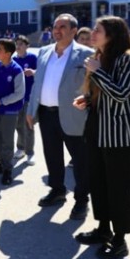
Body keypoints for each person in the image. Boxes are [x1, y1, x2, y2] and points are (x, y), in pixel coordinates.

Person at [73, 16, 130, 259]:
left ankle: (120, 240)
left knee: (118, 189)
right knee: (98, 184)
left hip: (119, 136)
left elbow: (122, 94)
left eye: (98, 30)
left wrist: (97, 71)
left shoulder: (128, 58)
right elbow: (104, 93)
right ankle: (103, 229)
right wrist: (88, 99)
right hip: (96, 130)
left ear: (112, 34)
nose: (92, 33)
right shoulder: (100, 57)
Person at [27, 14, 94, 220]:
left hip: (74, 116)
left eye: (62, 27)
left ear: (74, 31)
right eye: (55, 27)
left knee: (81, 161)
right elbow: (38, 83)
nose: (57, 30)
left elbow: (96, 85)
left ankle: (82, 200)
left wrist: (88, 101)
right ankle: (57, 190)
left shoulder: (86, 54)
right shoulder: (44, 51)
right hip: (46, 114)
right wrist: (31, 110)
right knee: (52, 156)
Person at [0, 39, 25, 186]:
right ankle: (2, 162)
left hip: (9, 112)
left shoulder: (16, 70)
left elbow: (19, 94)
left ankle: (7, 169)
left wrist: (1, 102)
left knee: (7, 141)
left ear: (8, 53)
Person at [12, 35, 38, 165]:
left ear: (27, 46)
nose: (18, 46)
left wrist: (33, 72)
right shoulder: (13, 60)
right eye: (17, 44)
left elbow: (42, 72)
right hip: (17, 99)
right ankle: (20, 148)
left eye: (21, 44)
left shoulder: (33, 58)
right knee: (18, 125)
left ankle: (30, 153)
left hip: (29, 97)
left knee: (28, 125)